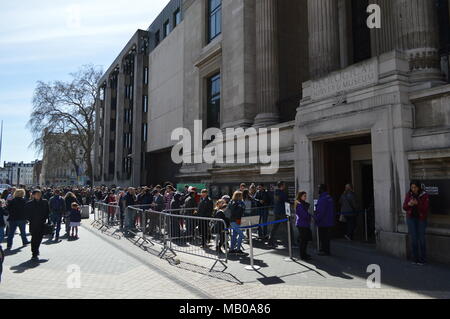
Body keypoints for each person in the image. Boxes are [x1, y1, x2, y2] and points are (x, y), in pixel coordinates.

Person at [403, 181, 430, 265]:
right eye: (412, 187)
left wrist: (417, 203)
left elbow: (425, 208)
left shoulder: (424, 195)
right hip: (411, 219)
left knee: (421, 239)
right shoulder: (409, 194)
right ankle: (415, 258)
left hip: (421, 219)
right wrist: (409, 204)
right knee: (414, 239)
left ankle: (423, 259)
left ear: (418, 187)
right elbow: (404, 207)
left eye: (415, 187)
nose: (413, 189)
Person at [25, 190, 50, 261]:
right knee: (34, 238)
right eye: (37, 194)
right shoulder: (29, 204)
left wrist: (46, 219)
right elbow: (26, 213)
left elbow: (48, 211)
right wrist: (31, 220)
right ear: (33, 195)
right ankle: (34, 253)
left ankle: (36, 249)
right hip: (33, 224)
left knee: (39, 238)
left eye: (40, 194)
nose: (39, 195)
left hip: (42, 223)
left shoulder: (45, 202)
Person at [268, 181, 290, 248]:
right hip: (282, 212)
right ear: (282, 185)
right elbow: (286, 201)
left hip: (277, 211)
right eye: (284, 185)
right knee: (289, 227)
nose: (285, 186)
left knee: (275, 228)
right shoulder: (282, 193)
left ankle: (270, 242)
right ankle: (291, 243)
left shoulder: (276, 192)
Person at [315, 184, 335, 256]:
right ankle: (324, 249)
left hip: (323, 221)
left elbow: (321, 211)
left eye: (319, 188)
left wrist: (316, 219)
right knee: (326, 237)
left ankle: (325, 251)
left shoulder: (323, 199)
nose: (318, 190)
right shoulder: (329, 197)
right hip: (328, 220)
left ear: (322, 189)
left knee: (323, 237)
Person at [295, 191, 313, 261]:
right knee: (303, 241)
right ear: (300, 196)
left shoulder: (302, 204)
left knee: (305, 240)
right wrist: (309, 216)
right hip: (302, 224)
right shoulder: (299, 204)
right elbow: (303, 215)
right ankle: (303, 255)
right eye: (304, 196)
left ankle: (304, 253)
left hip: (304, 224)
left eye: (306, 196)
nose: (305, 197)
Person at [228, 191, 246, 255]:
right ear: (238, 196)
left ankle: (232, 249)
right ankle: (238, 249)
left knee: (234, 235)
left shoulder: (240, 202)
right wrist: (240, 206)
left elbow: (243, 210)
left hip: (238, 220)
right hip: (233, 220)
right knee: (241, 235)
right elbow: (233, 212)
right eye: (241, 195)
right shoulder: (233, 202)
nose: (242, 196)